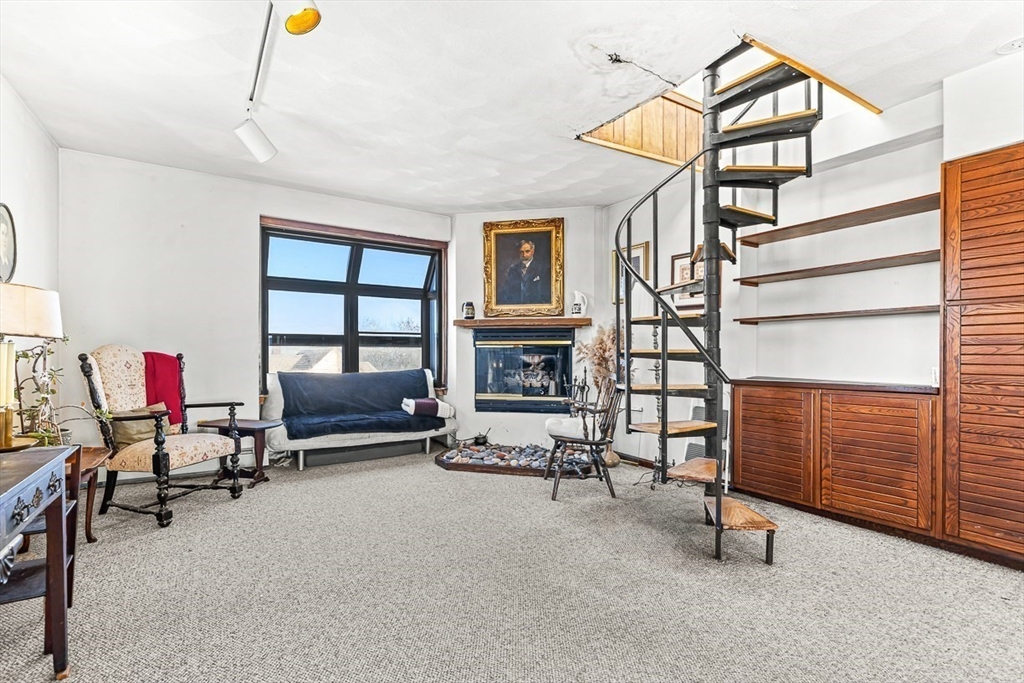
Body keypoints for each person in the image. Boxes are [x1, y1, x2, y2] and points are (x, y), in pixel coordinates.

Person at [499, 239, 550, 305]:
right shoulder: (513, 269)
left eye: (527, 251)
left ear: (532, 252)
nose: (524, 255)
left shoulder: (543, 269)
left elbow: (546, 295)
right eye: (521, 252)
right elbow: (506, 292)